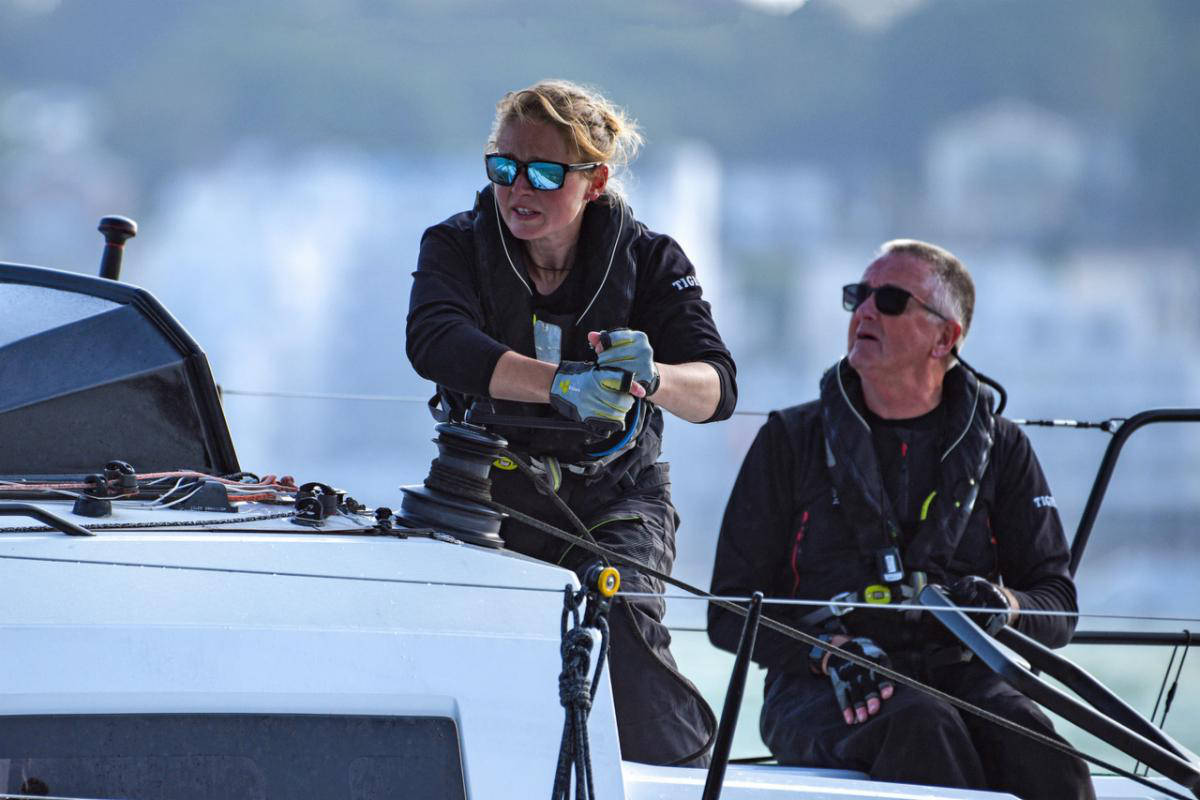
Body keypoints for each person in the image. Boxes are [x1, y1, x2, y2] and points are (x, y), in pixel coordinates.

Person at [406, 79, 737, 766]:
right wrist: (561, 384)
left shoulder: (652, 260)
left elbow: (717, 389)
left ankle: (673, 775)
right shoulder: (455, 245)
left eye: (545, 172)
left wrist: (654, 379)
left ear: (594, 181)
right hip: (485, 492)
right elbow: (434, 341)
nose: (518, 188)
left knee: (612, 621)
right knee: (458, 652)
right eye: (504, 167)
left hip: (618, 494)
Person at [707, 240, 1094, 798]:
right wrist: (826, 653)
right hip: (821, 685)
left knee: (1049, 757)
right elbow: (728, 609)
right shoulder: (788, 441)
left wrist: (1001, 605)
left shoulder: (1005, 449)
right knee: (922, 728)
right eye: (857, 296)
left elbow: (1057, 605)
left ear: (946, 337)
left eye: (889, 300)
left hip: (963, 671)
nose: (864, 311)